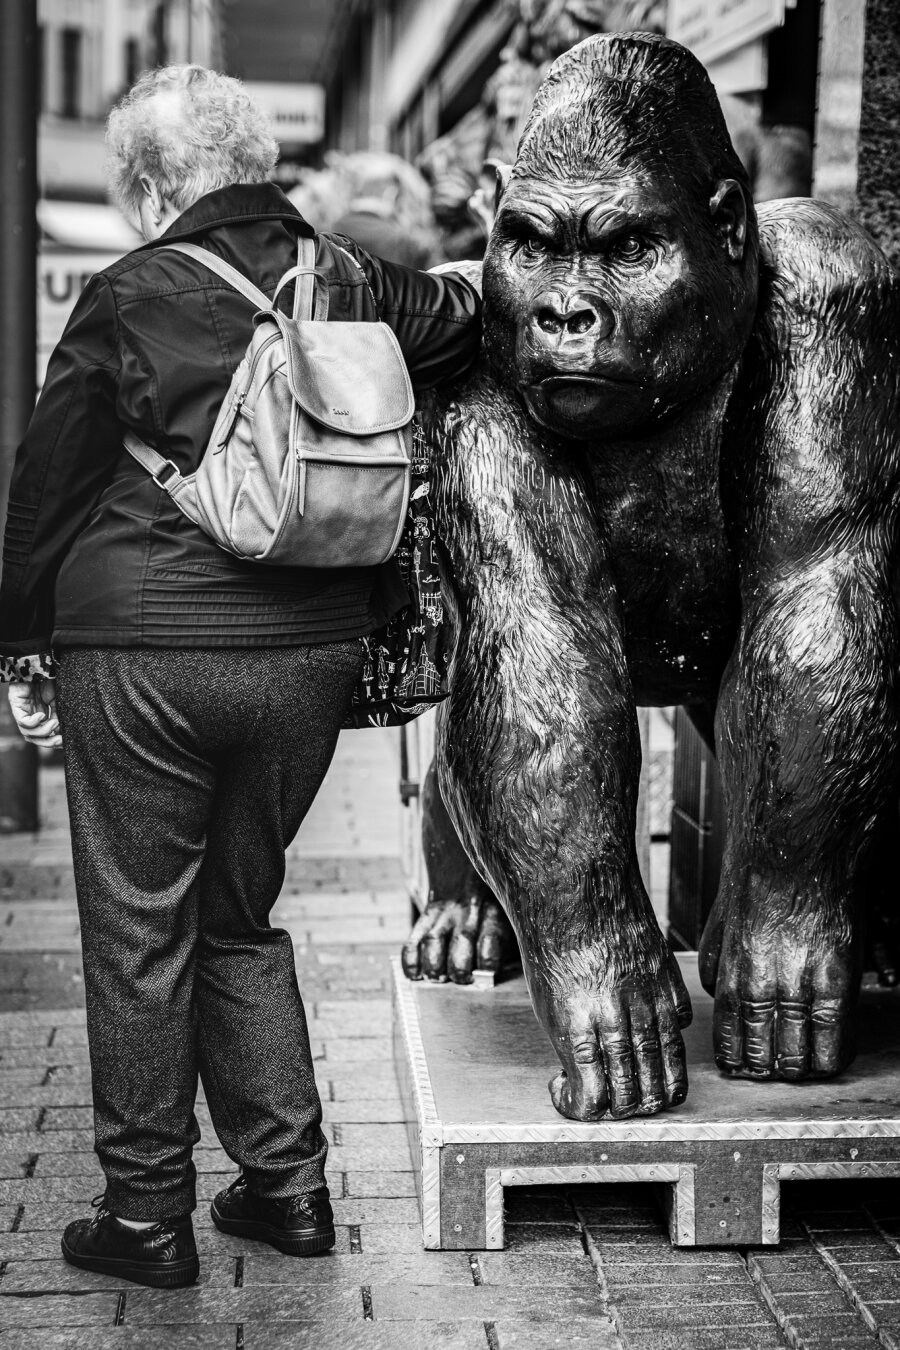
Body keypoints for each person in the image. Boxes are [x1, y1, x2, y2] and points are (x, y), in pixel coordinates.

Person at [0, 64, 480, 1288]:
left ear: (155, 184)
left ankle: (149, 1216)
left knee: (137, 928)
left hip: (145, 650)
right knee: (239, 913)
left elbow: (49, 487)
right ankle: (290, 1188)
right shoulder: (350, 276)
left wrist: (19, 641)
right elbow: (469, 319)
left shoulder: (128, 293)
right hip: (310, 661)